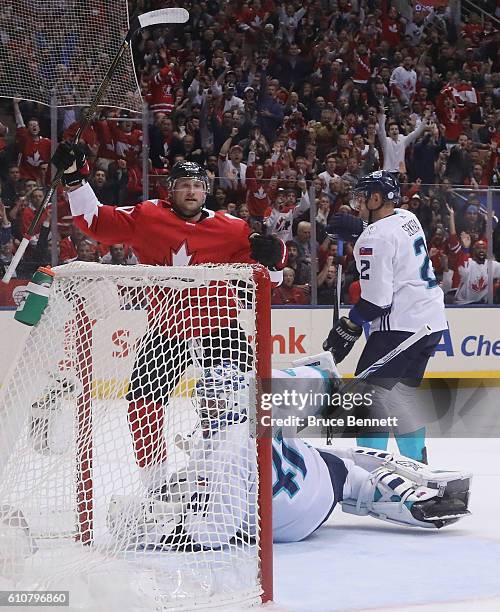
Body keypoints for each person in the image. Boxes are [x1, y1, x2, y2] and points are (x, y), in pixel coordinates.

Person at [51, 143, 287, 490]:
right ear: (170, 191)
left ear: (205, 192)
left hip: (220, 328)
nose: (190, 191)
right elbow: (95, 223)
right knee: (142, 402)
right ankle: (156, 483)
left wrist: (276, 256)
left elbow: (272, 277)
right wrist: (74, 179)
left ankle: (236, 475)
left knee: (236, 403)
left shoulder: (233, 228)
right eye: (183, 185)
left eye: (197, 185)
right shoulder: (148, 215)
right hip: (166, 329)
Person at [106, 360, 470, 551]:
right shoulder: (269, 400)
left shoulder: (223, 449)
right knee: (337, 462)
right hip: (314, 487)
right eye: (204, 398)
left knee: (212, 492)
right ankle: (386, 490)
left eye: (211, 399)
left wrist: (155, 532)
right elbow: (315, 379)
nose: (205, 406)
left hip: (281, 527)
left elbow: (217, 531)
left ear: (230, 399)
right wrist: (324, 376)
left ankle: (372, 487)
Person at [324, 171, 448, 463]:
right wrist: (361, 229)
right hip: (430, 324)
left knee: (367, 399)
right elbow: (389, 238)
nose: (357, 202)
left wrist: (350, 325)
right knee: (399, 398)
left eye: (362, 197)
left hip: (400, 327)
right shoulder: (407, 217)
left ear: (376, 198)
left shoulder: (372, 238)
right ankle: (418, 465)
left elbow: (378, 301)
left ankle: (370, 471)